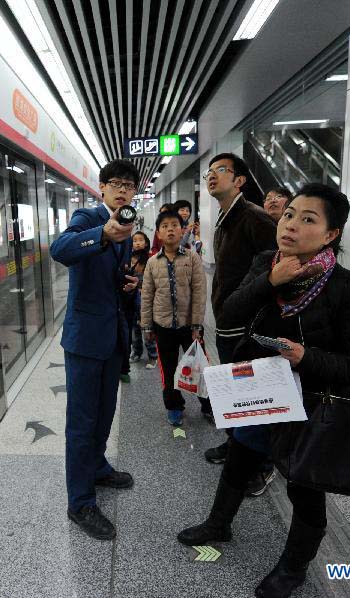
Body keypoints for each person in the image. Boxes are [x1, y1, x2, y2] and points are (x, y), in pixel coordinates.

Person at [177, 183, 350, 598]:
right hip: (262, 392)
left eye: (308, 219)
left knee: (305, 487)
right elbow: (230, 311)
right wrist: (269, 280)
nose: (291, 225)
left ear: (330, 234)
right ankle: (219, 523)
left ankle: (293, 568)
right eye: (290, 215)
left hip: (312, 407)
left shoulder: (346, 287)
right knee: (240, 455)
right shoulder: (267, 262)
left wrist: (307, 358)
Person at [50, 159, 139, 540]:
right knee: (82, 422)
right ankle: (80, 502)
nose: (122, 190)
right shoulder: (87, 218)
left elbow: (108, 278)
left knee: (105, 414)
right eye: (115, 183)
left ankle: (98, 467)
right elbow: (61, 249)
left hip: (112, 336)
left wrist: (127, 283)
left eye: (129, 185)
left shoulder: (127, 225)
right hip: (86, 339)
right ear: (102, 188)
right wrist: (102, 234)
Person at [202, 153, 276, 476]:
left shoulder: (255, 219)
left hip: (247, 327)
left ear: (239, 180)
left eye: (220, 170)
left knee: (253, 398)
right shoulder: (224, 220)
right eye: (209, 172)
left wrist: (245, 307)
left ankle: (260, 464)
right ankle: (236, 445)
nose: (212, 176)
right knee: (235, 393)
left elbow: (271, 273)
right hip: (227, 324)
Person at [141, 211, 206, 426]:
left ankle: (208, 406)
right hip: (163, 326)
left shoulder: (192, 257)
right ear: (158, 233)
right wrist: (147, 326)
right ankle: (174, 406)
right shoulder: (152, 262)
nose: (170, 229)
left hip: (189, 326)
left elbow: (199, 292)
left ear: (182, 230)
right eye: (165, 226)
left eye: (174, 225)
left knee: (198, 368)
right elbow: (147, 294)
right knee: (168, 370)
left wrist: (197, 324)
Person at [127, 231, 158, 368]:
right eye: (135, 240)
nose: (138, 242)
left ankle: (152, 356)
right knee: (134, 327)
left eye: (141, 240)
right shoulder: (128, 258)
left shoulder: (151, 259)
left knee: (146, 326)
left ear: (146, 243)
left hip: (145, 298)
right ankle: (137, 352)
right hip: (131, 298)